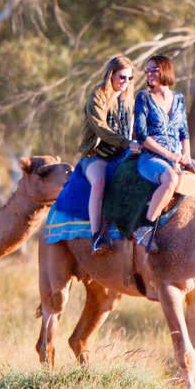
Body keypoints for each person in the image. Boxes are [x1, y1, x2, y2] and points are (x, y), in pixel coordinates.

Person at [133, 55, 195, 252]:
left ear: (165, 71)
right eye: (147, 70)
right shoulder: (143, 98)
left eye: (153, 70)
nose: (149, 74)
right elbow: (142, 136)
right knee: (170, 180)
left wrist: (186, 155)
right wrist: (170, 156)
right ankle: (144, 229)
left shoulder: (178, 99)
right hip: (151, 158)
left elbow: (184, 132)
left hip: (178, 156)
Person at [78, 55, 139, 255]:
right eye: (122, 77)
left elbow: (134, 126)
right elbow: (101, 128)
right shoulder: (98, 96)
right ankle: (97, 236)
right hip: (96, 155)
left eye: (130, 78)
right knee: (99, 182)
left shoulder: (128, 99)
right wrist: (127, 143)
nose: (126, 82)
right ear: (111, 75)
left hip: (122, 153)